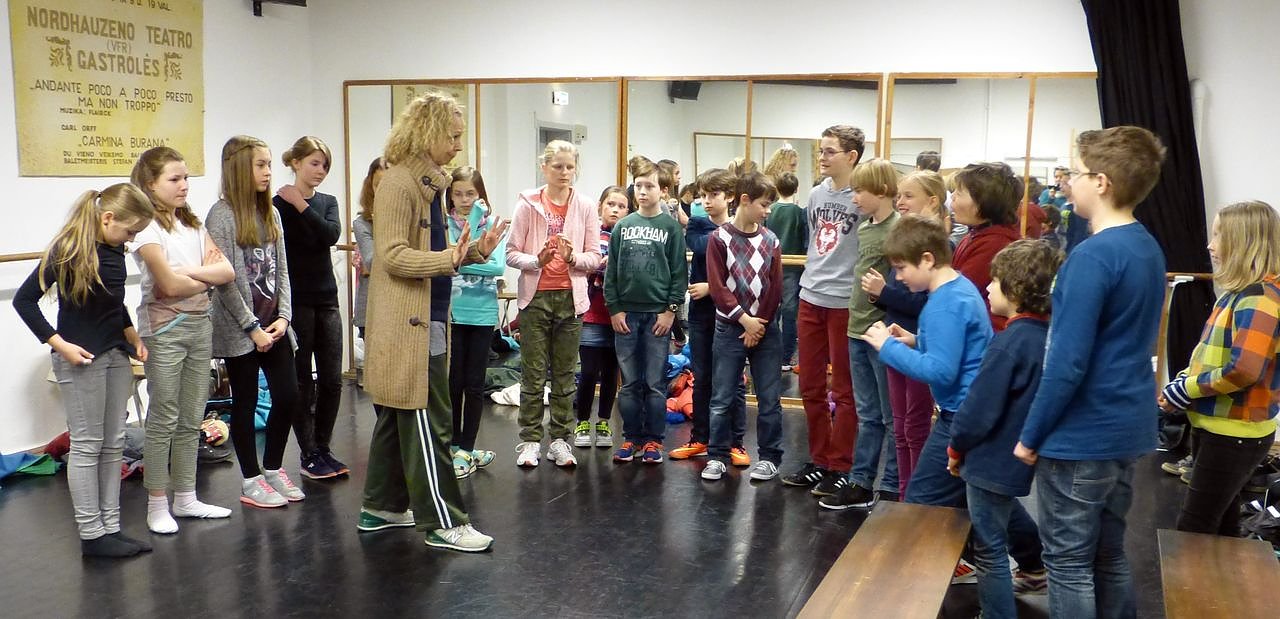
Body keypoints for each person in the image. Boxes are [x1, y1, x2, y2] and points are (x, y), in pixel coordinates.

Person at [1015, 126, 1168, 617]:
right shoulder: (1146, 246)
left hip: (1082, 435)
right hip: (1126, 428)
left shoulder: (1092, 256)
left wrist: (1030, 436)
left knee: (1067, 563)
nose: (1067, 183)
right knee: (1108, 554)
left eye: (1075, 173)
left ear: (1101, 182)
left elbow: (1066, 363)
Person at [359, 93, 505, 552]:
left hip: (430, 318)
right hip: (411, 326)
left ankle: (381, 506)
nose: (459, 146)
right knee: (430, 421)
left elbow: (437, 253)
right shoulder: (399, 184)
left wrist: (474, 252)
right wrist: (451, 259)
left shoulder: (427, 186)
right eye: (453, 136)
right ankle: (444, 521)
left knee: (396, 416)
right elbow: (392, 256)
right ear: (429, 133)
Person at [14, 183, 155, 557]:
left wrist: (132, 337)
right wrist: (60, 345)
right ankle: (92, 534)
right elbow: (24, 301)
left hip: (115, 355)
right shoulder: (68, 250)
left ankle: (111, 527)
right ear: (107, 218)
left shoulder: (115, 250)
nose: (132, 239)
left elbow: (113, 303)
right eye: (130, 231)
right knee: (87, 444)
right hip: (81, 359)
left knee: (113, 442)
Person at [946, 240, 1060, 617]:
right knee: (1004, 513)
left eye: (994, 281)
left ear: (1015, 289)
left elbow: (977, 410)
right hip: (1015, 459)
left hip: (989, 459)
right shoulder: (1049, 339)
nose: (987, 287)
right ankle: (1035, 568)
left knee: (989, 547)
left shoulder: (1008, 344)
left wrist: (955, 448)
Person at [128, 147, 235, 534]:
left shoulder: (192, 223)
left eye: (186, 177)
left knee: (192, 416)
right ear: (150, 185)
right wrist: (204, 276)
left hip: (200, 323)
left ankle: (186, 497)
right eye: (174, 179)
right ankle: (157, 503)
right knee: (164, 416)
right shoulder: (146, 228)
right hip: (164, 330)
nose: (184, 185)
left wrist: (190, 274)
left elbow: (227, 271)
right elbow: (167, 285)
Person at [1160, 200, 1280, 536]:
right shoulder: (1238, 294)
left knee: (1194, 529)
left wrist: (1186, 388)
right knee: (1223, 527)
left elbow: (1244, 370)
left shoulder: (1260, 299)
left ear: (1244, 242)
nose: (1210, 245)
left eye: (1219, 235)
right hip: (1220, 429)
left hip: (1234, 434)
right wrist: (1181, 385)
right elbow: (1207, 356)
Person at [862, 214, 991, 511]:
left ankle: (1022, 540)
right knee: (976, 500)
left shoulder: (943, 305)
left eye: (901, 268)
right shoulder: (958, 288)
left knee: (922, 501)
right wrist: (916, 340)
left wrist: (887, 347)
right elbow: (957, 345)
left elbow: (940, 371)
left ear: (927, 259)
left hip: (960, 415)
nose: (898, 278)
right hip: (969, 410)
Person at [206, 135, 304, 509]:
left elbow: (283, 270)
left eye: (268, 165)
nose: (267, 172)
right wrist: (252, 328)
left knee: (288, 396)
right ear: (238, 168)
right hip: (240, 330)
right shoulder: (221, 216)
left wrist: (284, 316)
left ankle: (273, 467)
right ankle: (250, 480)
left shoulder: (271, 213)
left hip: (274, 324)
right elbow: (225, 281)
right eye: (260, 165)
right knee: (245, 403)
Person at [507, 140, 602, 468]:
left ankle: (560, 439)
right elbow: (511, 253)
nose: (564, 172)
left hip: (571, 300)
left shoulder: (585, 206)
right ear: (544, 167)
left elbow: (595, 257)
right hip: (535, 298)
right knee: (533, 374)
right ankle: (530, 440)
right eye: (558, 166)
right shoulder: (527, 204)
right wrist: (537, 260)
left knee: (564, 373)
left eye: (570, 167)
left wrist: (572, 258)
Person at [781, 125, 863, 497]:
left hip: (845, 302)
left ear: (851, 156)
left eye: (830, 151)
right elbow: (817, 243)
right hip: (811, 296)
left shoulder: (861, 198)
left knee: (844, 390)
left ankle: (841, 465)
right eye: (822, 150)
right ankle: (820, 460)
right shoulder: (815, 195)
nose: (822, 157)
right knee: (810, 386)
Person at [821, 159, 901, 509]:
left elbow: (901, 285)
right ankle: (861, 481)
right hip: (857, 330)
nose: (853, 199)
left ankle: (893, 485)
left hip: (880, 333)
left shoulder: (898, 230)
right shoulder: (866, 228)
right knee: (868, 414)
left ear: (881, 191)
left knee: (890, 415)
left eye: (859, 191)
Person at [864, 170, 945, 497]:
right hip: (897, 339)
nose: (900, 202)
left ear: (932, 201)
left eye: (908, 196)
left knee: (915, 426)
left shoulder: (939, 248)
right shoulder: (905, 239)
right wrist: (881, 295)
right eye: (899, 195)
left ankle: (916, 497)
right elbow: (899, 291)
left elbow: (924, 303)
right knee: (899, 426)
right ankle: (903, 495)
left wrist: (884, 293)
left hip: (917, 344)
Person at [701, 171, 785, 482]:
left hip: (764, 330)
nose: (768, 211)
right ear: (746, 201)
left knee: (769, 398)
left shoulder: (771, 240)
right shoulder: (719, 238)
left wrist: (758, 324)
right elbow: (718, 286)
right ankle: (717, 455)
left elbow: (775, 287)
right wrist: (745, 320)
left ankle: (770, 457)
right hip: (731, 328)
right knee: (722, 398)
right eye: (764, 204)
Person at [273, 136, 348, 480]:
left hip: (327, 298)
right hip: (296, 301)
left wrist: (301, 204)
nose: (320, 171)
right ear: (296, 163)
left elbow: (329, 235)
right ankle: (308, 453)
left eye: (325, 165)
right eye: (314, 163)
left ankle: (324, 446)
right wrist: (291, 203)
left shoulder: (327, 202)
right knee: (303, 379)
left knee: (332, 379)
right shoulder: (277, 206)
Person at [606, 156, 688, 464]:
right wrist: (614, 309)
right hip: (626, 315)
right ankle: (631, 438)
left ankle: (654, 440)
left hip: (657, 316)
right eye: (638, 186)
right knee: (629, 383)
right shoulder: (623, 227)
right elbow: (612, 273)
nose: (642, 191)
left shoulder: (670, 228)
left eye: (649, 186)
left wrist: (670, 311)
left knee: (654, 383)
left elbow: (679, 274)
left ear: (662, 190)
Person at [671, 168, 747, 464]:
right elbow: (704, 246)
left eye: (713, 195)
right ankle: (700, 437)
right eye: (703, 195)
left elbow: (742, 272)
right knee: (702, 378)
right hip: (702, 316)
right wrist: (735, 232)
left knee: (733, 380)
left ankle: (736, 442)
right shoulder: (698, 225)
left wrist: (711, 287)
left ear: (729, 197)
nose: (706, 201)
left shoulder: (739, 227)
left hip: (731, 314)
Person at [446, 166, 505, 477]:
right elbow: (449, 259)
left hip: (482, 314)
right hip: (454, 314)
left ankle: (467, 448)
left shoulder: (492, 225)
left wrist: (461, 261)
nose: (464, 199)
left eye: (470, 193)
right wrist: (469, 258)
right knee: (453, 382)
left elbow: (497, 268)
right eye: (458, 194)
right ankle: (454, 445)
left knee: (474, 383)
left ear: (480, 194)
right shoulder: (445, 225)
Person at [574, 186, 627, 448]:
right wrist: (598, 264)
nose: (615, 210)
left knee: (610, 373)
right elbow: (579, 265)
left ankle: (604, 421)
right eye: (610, 204)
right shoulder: (590, 234)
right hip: (592, 312)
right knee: (588, 372)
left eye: (621, 206)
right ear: (600, 206)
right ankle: (582, 421)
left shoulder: (628, 238)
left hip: (619, 315)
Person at [951, 162, 1023, 331]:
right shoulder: (975, 234)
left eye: (959, 193)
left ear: (983, 203)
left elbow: (959, 293)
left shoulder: (995, 244)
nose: (952, 197)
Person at [766, 172, 806, 371]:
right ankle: (785, 357)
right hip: (793, 267)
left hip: (770, 266)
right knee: (790, 313)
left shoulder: (769, 210)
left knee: (771, 310)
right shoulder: (800, 213)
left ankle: (768, 354)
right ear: (796, 189)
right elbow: (804, 240)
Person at [352, 157, 385, 343]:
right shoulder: (362, 223)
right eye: (378, 185)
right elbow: (374, 262)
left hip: (404, 310)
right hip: (371, 308)